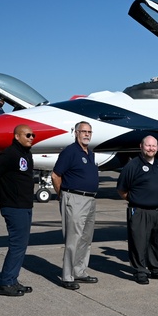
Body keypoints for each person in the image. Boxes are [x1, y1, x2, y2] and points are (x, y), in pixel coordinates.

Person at [0, 124, 35, 297]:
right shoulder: (9, 154)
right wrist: (2, 194)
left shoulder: (26, 154)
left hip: (25, 206)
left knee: (21, 245)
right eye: (27, 135)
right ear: (17, 136)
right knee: (17, 245)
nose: (31, 138)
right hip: (14, 207)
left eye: (32, 135)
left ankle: (12, 280)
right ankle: (4, 283)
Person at [116, 135, 158, 285]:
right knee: (138, 243)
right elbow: (122, 189)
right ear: (141, 146)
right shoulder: (132, 165)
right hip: (140, 211)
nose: (151, 148)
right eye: (148, 145)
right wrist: (136, 200)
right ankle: (140, 271)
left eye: (154, 146)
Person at [51, 121, 99, 290]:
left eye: (89, 132)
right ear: (76, 133)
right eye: (83, 131)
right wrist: (62, 195)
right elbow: (56, 175)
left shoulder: (90, 153)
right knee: (73, 238)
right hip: (75, 199)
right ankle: (67, 276)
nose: (87, 134)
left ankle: (79, 271)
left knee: (86, 238)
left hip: (90, 200)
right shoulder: (70, 152)